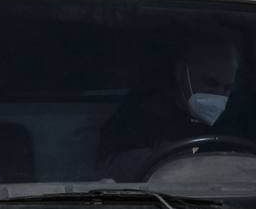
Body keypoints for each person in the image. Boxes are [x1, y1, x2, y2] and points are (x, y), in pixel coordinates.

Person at [98, 32, 241, 180]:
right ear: (181, 72)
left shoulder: (237, 119)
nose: (219, 95)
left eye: (227, 88)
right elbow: (116, 170)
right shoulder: (138, 117)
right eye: (211, 83)